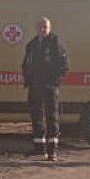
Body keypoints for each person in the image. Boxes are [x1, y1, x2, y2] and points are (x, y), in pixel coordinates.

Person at [22, 16, 69, 160]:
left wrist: (54, 82)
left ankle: (52, 151)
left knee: (51, 117)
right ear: (36, 29)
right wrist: (28, 80)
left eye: (45, 27)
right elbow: (26, 64)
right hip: (35, 86)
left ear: (50, 28)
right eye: (40, 27)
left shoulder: (55, 43)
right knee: (36, 117)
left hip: (49, 87)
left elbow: (64, 66)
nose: (42, 30)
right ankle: (39, 148)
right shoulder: (32, 44)